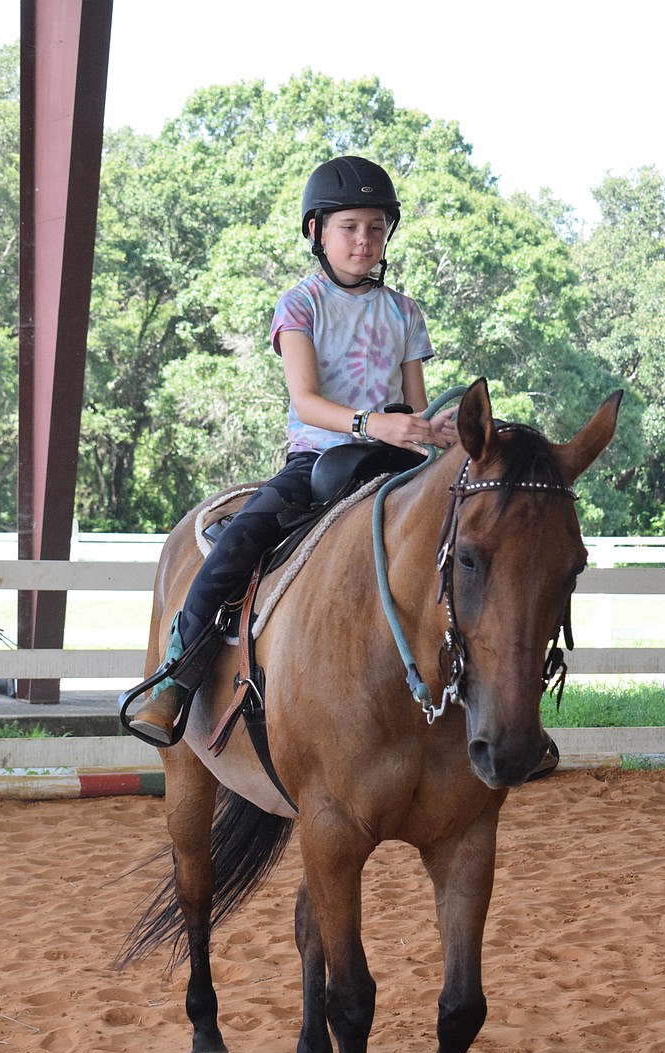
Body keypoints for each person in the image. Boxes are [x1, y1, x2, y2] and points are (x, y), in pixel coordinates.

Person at [126, 155, 457, 745]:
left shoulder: (405, 312)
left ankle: (489, 698)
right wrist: (371, 423)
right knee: (239, 542)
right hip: (320, 463)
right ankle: (174, 678)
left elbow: (415, 406)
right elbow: (305, 402)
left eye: (376, 227)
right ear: (316, 232)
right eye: (349, 227)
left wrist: (435, 429)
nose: (364, 240)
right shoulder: (300, 304)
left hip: (397, 466)